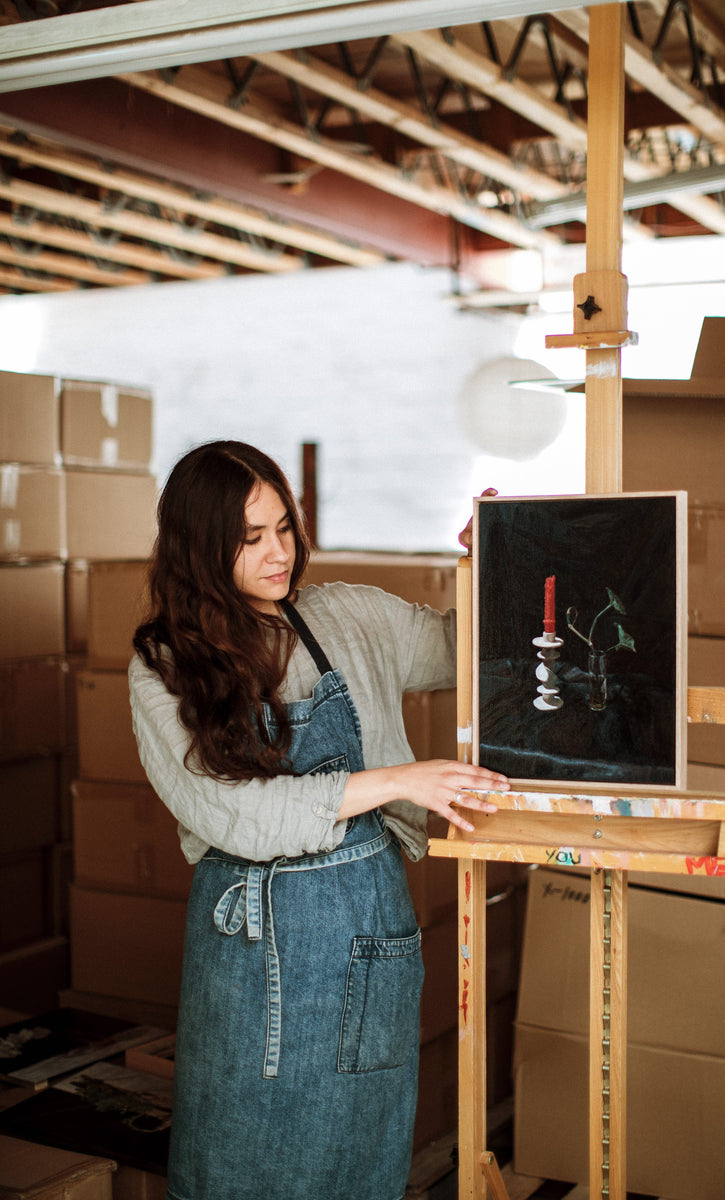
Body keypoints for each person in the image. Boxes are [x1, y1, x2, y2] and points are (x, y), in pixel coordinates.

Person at [128, 440, 508, 1200]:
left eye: (284, 529)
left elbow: (460, 651)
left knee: (359, 1164)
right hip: (251, 949)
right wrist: (395, 779)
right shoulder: (165, 666)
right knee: (239, 1169)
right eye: (251, 538)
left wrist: (492, 561)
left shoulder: (346, 615)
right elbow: (234, 815)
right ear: (199, 550)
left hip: (368, 932)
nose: (280, 554)